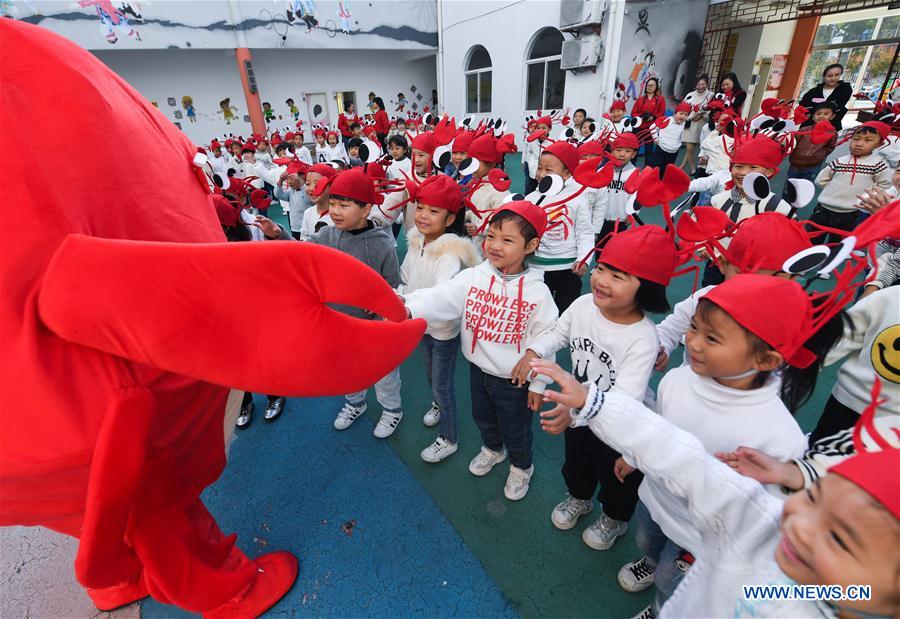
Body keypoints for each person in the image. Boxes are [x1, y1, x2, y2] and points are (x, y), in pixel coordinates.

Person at [534, 354, 900, 619]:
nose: (800, 525)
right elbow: (688, 461)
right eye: (812, 497)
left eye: (839, 538)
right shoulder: (762, 529)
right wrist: (595, 404)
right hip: (670, 533)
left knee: (670, 577)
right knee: (666, 572)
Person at [513, 225, 672, 552]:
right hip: (580, 411)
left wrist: (628, 449)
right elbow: (558, 333)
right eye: (601, 268)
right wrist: (534, 351)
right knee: (577, 463)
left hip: (622, 427)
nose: (600, 279)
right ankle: (579, 498)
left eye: (618, 276)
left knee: (617, 478)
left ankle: (614, 518)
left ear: (647, 289)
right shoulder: (585, 305)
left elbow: (625, 400)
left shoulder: (643, 337)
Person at [404, 201, 559, 501]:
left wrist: (539, 383)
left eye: (507, 240)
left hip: (514, 380)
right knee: (483, 418)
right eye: (491, 236)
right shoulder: (474, 276)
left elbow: (548, 336)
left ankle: (521, 466)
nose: (494, 245)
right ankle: (492, 449)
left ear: (531, 245)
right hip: (479, 370)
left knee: (516, 428)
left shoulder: (537, 291)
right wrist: (409, 307)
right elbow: (443, 296)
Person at [307, 168, 406, 438]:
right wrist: (275, 234)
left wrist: (379, 304)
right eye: (334, 204)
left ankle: (392, 410)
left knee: (383, 372)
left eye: (344, 205)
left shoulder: (382, 245)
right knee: (348, 368)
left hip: (374, 327)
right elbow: (300, 254)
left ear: (365, 210)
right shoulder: (326, 235)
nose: (336, 211)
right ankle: (355, 403)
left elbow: (393, 285)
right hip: (340, 323)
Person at [655, 212, 813, 372]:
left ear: (792, 279)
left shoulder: (786, 320)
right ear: (723, 264)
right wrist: (661, 347)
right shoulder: (705, 298)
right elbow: (669, 330)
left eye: (770, 283)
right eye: (743, 273)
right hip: (688, 383)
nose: (751, 288)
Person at [396, 175, 479, 463]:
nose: (423, 216)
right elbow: (407, 277)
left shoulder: (451, 255)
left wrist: (408, 305)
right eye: (420, 207)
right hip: (421, 324)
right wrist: (400, 294)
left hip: (442, 329)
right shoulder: (417, 241)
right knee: (430, 373)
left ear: (450, 218)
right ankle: (436, 403)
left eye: (433, 211)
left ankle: (449, 438)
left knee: (443, 384)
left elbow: (446, 297)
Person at [211, 195, 292, 428]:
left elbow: (276, 259)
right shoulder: (196, 231)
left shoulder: (250, 226)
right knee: (233, 360)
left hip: (254, 303)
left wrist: (272, 234)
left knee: (260, 353)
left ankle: (274, 394)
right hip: (222, 307)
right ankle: (244, 402)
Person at [526, 142, 594, 313]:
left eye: (549, 170)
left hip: (568, 267)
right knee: (539, 310)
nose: (541, 174)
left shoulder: (577, 198)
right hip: (537, 267)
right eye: (540, 168)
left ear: (567, 173)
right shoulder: (532, 198)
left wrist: (584, 258)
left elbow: (585, 232)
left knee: (567, 311)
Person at [810, 121, 893, 243]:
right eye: (856, 139)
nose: (859, 144)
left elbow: (884, 184)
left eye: (868, 140)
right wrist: (835, 189)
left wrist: (863, 197)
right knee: (813, 238)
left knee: (835, 242)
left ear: (879, 144)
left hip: (850, 212)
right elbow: (820, 180)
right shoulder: (839, 161)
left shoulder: (878, 165)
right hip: (823, 208)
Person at [463, 133, 512, 254]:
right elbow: (478, 210)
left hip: (491, 248)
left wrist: (480, 229)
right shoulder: (478, 183)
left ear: (491, 164)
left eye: (475, 163)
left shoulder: (499, 191)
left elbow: (502, 221)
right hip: (477, 244)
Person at [593, 133, 640, 246]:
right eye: (618, 150)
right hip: (600, 219)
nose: (622, 154)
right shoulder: (602, 171)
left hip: (621, 221)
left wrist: (633, 214)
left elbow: (638, 197)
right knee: (598, 249)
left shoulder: (635, 174)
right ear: (612, 151)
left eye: (627, 151)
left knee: (614, 250)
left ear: (633, 154)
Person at [784, 103, 838, 190]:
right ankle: (785, 201)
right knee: (790, 186)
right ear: (813, 117)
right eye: (818, 114)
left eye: (826, 114)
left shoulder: (832, 133)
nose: (821, 116)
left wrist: (820, 155)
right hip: (795, 164)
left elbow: (830, 148)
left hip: (812, 166)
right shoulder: (804, 130)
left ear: (832, 116)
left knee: (805, 188)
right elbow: (793, 143)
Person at [799, 63, 853, 130]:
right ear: (824, 76)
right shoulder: (813, 91)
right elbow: (803, 105)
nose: (833, 78)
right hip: (811, 126)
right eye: (829, 76)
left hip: (832, 126)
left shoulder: (845, 89)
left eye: (837, 75)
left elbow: (837, 106)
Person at [680, 75, 713, 173]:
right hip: (689, 123)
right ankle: (693, 168)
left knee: (692, 147)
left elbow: (711, 109)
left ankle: (681, 166)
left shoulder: (710, 95)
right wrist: (688, 115)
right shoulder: (690, 94)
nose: (700, 86)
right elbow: (683, 106)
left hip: (701, 124)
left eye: (703, 84)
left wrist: (702, 115)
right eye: (698, 84)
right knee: (689, 147)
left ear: (707, 84)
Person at [274, 161, 314, 240]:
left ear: (301, 178)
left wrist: (302, 183)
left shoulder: (307, 190)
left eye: (292, 179)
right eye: (288, 179)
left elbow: (308, 199)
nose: (289, 182)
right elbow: (279, 195)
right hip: (295, 227)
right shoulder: (291, 192)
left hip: (307, 227)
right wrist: (280, 181)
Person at [631, 78, 666, 164]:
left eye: (652, 85)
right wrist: (641, 117)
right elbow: (633, 113)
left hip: (651, 128)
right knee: (634, 148)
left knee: (649, 151)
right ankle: (631, 168)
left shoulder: (660, 99)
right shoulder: (640, 99)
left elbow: (661, 113)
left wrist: (653, 117)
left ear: (656, 86)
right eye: (648, 85)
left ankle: (647, 170)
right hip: (638, 127)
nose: (649, 87)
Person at [299, 163, 338, 240]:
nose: (311, 188)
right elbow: (304, 240)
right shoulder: (308, 213)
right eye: (307, 184)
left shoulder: (339, 214)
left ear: (331, 185)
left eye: (317, 184)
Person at [651, 101, 690, 168]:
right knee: (656, 168)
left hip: (674, 152)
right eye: (681, 114)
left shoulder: (684, 123)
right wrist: (655, 138)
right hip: (661, 150)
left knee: (667, 169)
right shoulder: (666, 120)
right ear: (675, 113)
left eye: (686, 115)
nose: (683, 116)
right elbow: (652, 127)